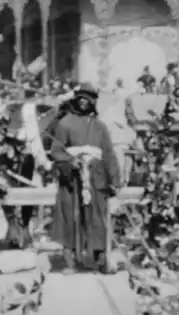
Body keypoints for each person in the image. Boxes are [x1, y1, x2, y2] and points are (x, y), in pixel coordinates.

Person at [49, 82, 121, 273]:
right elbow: (56, 151)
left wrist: (114, 180)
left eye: (88, 100)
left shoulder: (100, 127)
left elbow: (108, 154)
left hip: (96, 179)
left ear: (93, 103)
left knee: (97, 217)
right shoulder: (65, 124)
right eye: (80, 99)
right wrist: (70, 162)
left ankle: (100, 258)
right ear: (76, 100)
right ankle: (71, 261)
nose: (83, 103)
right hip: (72, 180)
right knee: (70, 217)